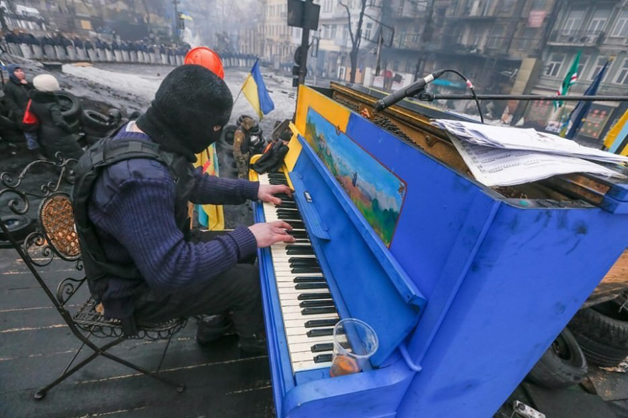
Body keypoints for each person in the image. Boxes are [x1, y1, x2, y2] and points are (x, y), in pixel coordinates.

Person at [72, 65, 295, 354]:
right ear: (191, 124)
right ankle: (255, 346)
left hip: (141, 259)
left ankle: (215, 322)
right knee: (249, 282)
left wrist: (251, 190)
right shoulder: (139, 180)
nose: (217, 135)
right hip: (132, 290)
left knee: (249, 246)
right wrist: (248, 237)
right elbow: (171, 270)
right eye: (215, 128)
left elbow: (191, 181)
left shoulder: (143, 133)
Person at [28, 74, 83, 160]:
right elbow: (59, 122)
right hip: (58, 132)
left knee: (54, 152)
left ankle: (59, 167)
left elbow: (32, 112)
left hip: (45, 130)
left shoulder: (33, 100)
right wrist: (69, 129)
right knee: (74, 151)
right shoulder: (52, 105)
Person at [3, 65, 41, 154]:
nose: (20, 73)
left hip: (35, 111)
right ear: (12, 74)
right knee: (30, 135)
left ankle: (43, 147)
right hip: (23, 114)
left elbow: (36, 94)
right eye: (17, 71)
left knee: (39, 131)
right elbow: (10, 102)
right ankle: (36, 152)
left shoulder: (25, 83)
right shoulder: (9, 87)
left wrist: (27, 84)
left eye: (21, 70)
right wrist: (20, 113)